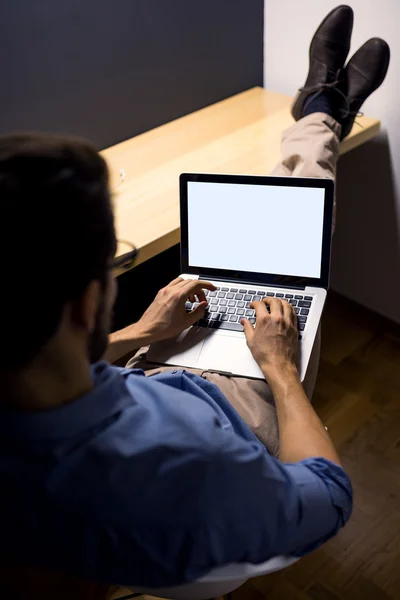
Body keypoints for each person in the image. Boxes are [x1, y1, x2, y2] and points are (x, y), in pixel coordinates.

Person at [0, 5, 390, 593]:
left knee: (273, 242)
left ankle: (320, 111)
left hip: (154, 366)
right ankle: (322, 113)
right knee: (288, 256)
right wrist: (279, 368)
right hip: (238, 410)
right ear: (84, 305)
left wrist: (143, 332)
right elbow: (330, 498)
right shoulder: (191, 465)